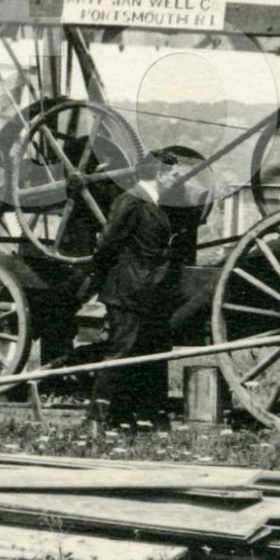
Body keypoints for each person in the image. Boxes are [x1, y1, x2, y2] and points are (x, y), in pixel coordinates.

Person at [87, 149, 178, 427]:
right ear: (160, 175)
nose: (177, 179)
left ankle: (125, 415)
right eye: (174, 174)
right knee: (121, 350)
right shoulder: (131, 201)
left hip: (144, 290)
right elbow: (106, 244)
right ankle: (96, 418)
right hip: (129, 290)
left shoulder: (150, 202)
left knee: (139, 352)